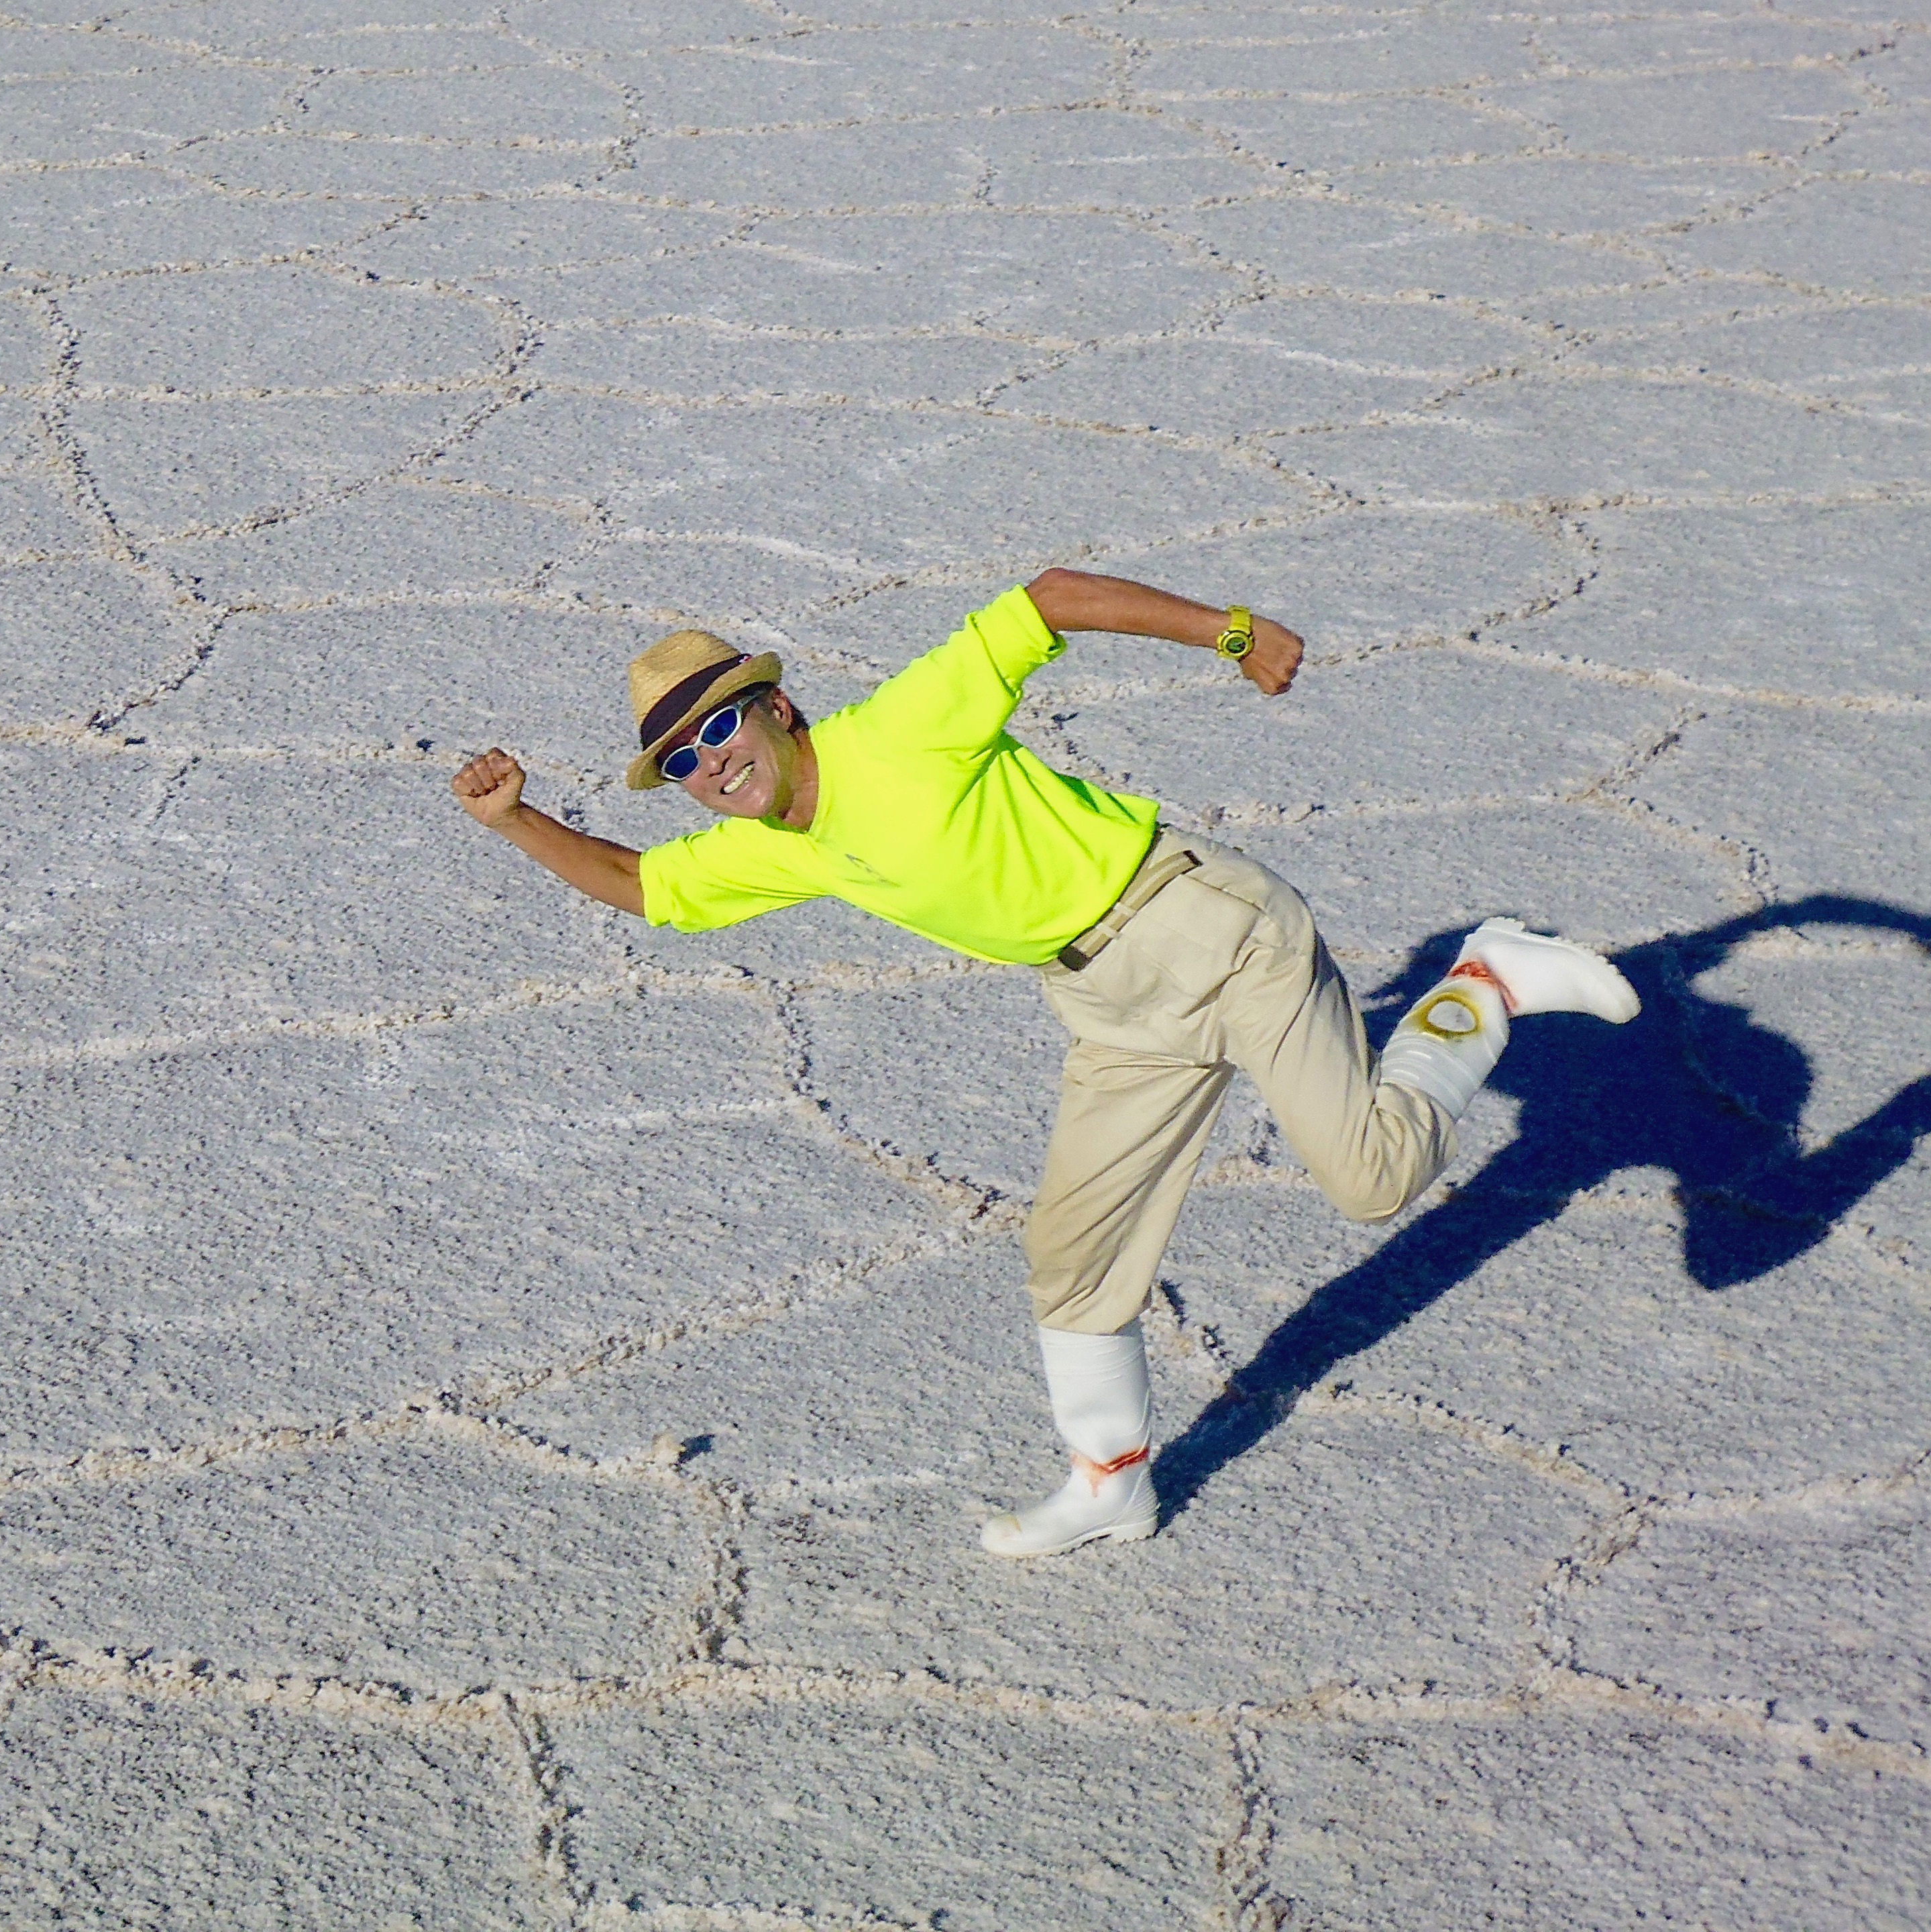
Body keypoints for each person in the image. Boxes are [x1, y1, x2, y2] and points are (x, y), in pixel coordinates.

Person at [449, 572, 1639, 1557]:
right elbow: (639, 886)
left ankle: (1483, 980)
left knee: (1373, 1180)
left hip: (1207, 927)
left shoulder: (902, 729)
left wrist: (1230, 635)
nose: (711, 765)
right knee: (1071, 1259)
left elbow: (1049, 602)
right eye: (684, 764)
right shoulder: (768, 847)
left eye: (720, 728)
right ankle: (1112, 1482)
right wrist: (511, 818)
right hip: (1110, 1006)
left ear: (777, 709)